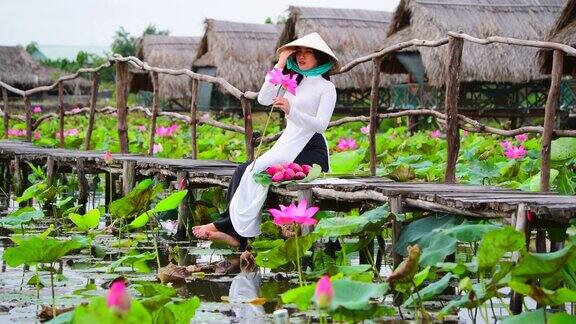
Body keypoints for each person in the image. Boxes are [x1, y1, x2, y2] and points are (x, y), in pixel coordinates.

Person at [192, 32, 340, 249]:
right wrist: (280, 64)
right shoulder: (293, 81)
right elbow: (263, 98)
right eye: (298, 52)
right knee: (243, 169)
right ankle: (234, 233)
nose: (302, 56)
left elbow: (321, 125)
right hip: (289, 144)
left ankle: (226, 229)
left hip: (310, 150)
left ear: (321, 58)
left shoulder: (327, 88)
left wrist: (292, 110)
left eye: (308, 52)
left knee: (259, 171)